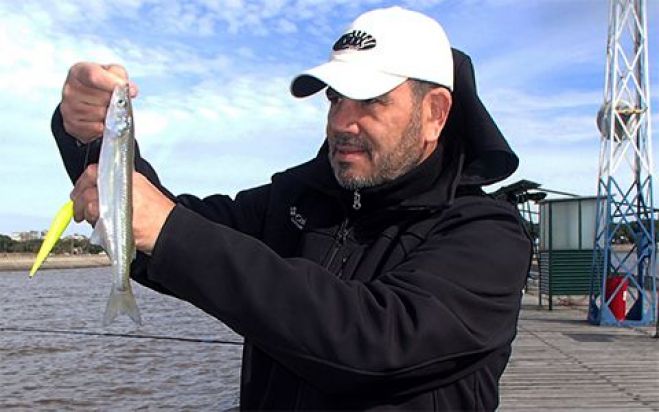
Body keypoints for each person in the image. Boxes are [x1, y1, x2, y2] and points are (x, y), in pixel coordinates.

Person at [52, 6, 531, 411]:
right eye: (335, 98)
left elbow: (378, 343)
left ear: (435, 114)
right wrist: (92, 137)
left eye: (369, 100)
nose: (342, 121)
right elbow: (167, 236)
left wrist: (170, 231)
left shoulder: (488, 234)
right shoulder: (294, 201)